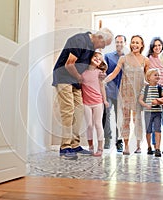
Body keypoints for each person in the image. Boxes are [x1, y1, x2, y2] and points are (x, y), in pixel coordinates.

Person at [52, 28, 113, 158]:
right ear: (100, 38)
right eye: (103, 45)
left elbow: (92, 65)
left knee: (79, 111)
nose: (102, 48)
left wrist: (100, 74)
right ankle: (65, 147)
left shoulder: (91, 47)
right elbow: (69, 64)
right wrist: (79, 77)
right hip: (64, 77)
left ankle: (75, 144)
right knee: (68, 110)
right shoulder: (79, 40)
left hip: (76, 80)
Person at [103, 35, 149, 155]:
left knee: (137, 120)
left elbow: (148, 77)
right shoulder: (123, 59)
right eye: (133, 42)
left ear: (142, 45)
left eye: (137, 43)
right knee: (125, 120)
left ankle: (138, 145)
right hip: (125, 93)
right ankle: (127, 146)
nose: (135, 44)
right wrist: (103, 81)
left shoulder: (145, 60)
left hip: (139, 93)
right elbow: (113, 73)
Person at [146, 37, 163, 154]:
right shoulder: (149, 59)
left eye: (159, 45)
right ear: (152, 47)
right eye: (155, 45)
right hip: (153, 92)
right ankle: (155, 146)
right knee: (153, 120)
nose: (157, 47)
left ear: (162, 46)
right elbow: (146, 76)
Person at [103, 35, 128, 151]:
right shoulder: (108, 56)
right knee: (106, 116)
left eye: (121, 42)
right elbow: (104, 73)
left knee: (120, 118)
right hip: (109, 91)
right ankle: (107, 139)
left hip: (122, 93)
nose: (119, 44)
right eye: (117, 42)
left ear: (125, 43)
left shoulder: (128, 58)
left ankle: (119, 141)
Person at [82, 51, 109, 157]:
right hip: (86, 102)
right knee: (89, 125)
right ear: (91, 57)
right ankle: (91, 147)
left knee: (98, 124)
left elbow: (102, 86)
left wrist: (105, 100)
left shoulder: (99, 73)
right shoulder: (83, 72)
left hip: (98, 102)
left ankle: (100, 148)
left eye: (100, 59)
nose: (97, 59)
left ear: (100, 63)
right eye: (96, 57)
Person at [139, 68, 163, 157]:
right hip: (148, 113)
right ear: (148, 77)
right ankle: (149, 146)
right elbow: (140, 100)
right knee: (148, 130)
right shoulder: (145, 88)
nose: (157, 76)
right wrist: (146, 105)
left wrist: (160, 101)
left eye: (158, 75)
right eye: (155, 75)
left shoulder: (160, 88)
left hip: (157, 112)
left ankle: (157, 148)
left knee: (157, 129)